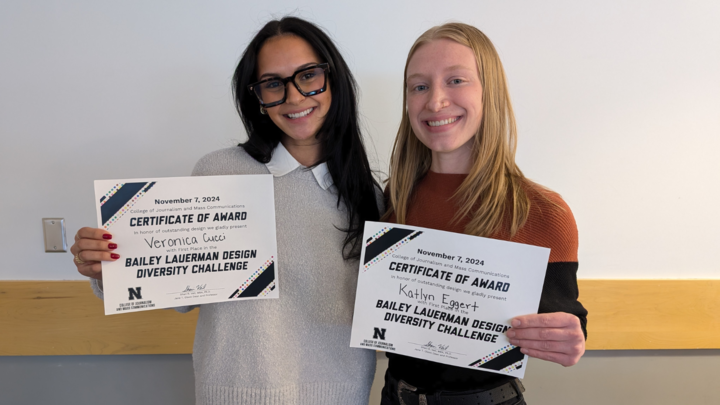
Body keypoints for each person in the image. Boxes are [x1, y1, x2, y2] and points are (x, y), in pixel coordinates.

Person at [70, 17, 381, 405]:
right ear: (256, 97)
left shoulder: (367, 195)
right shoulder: (219, 172)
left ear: (333, 78)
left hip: (341, 396)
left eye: (308, 75)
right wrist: (106, 269)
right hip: (232, 395)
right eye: (273, 83)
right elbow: (178, 289)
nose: (295, 97)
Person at [380, 23, 588, 405]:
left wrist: (570, 338)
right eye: (419, 86)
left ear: (489, 91)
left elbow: (566, 319)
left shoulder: (545, 212)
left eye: (456, 80)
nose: (436, 101)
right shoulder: (392, 199)